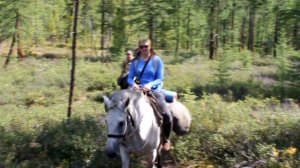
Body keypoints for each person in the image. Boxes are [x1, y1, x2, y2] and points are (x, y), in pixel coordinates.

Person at [127, 38, 173, 151]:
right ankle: (123, 139)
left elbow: (160, 79)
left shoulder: (157, 60)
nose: (143, 48)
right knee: (121, 110)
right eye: (141, 46)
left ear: (150, 47)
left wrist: (150, 85)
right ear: (139, 48)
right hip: (138, 91)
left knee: (167, 115)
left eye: (146, 46)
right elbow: (129, 78)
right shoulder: (135, 62)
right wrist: (133, 84)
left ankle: (166, 140)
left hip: (154, 91)